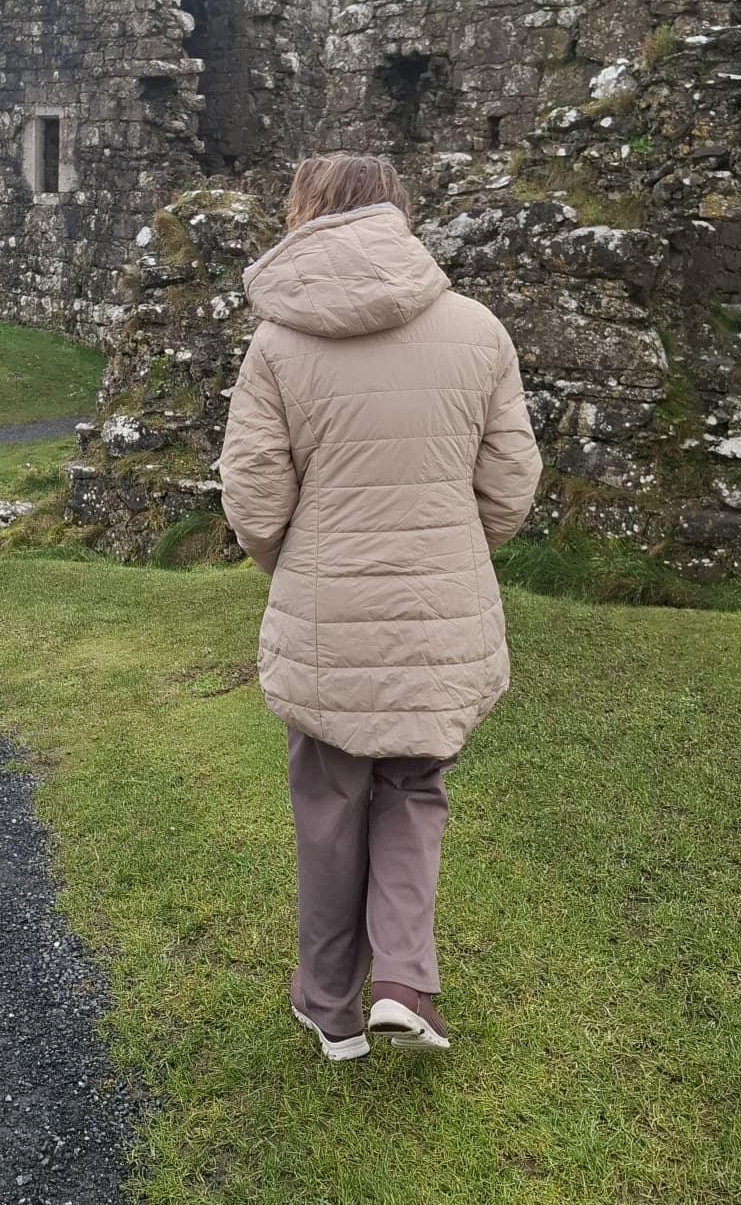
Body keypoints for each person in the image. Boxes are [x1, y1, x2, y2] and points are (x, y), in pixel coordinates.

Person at [219, 155, 542, 1062]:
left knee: (329, 804)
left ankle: (330, 1008)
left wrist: (294, 563)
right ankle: (404, 981)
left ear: (310, 214)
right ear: (397, 214)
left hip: (327, 614)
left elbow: (253, 499)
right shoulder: (478, 330)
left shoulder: (279, 343)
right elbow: (512, 484)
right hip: (440, 613)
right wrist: (452, 547)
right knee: (414, 788)